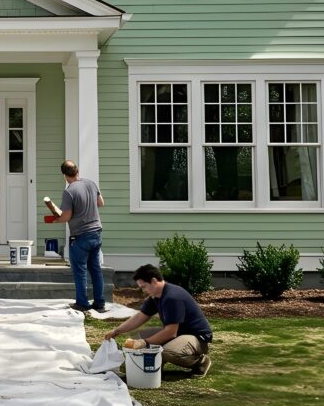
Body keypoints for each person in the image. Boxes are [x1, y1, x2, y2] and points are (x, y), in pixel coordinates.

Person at [104, 264, 213, 377]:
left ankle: (201, 362)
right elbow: (140, 317)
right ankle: (157, 364)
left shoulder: (172, 297)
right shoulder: (156, 296)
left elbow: (171, 332)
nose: (143, 290)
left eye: (144, 286)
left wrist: (145, 343)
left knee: (167, 351)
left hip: (197, 339)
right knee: (137, 339)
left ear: (154, 281)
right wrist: (116, 331)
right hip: (179, 334)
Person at [44, 159, 106, 313]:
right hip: (96, 232)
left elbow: (66, 216)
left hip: (81, 235)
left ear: (64, 175)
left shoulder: (69, 191)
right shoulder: (91, 183)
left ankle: (82, 303)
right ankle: (100, 303)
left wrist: (56, 219)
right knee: (96, 269)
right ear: (77, 171)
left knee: (80, 270)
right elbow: (100, 202)